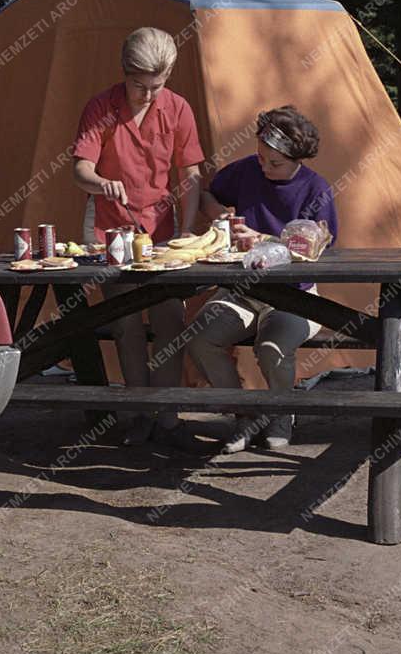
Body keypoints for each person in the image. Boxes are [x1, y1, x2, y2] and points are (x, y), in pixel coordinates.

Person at [72, 27, 204, 444]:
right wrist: (99, 183)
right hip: (114, 233)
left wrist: (186, 230)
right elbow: (80, 168)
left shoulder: (179, 108)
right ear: (124, 73)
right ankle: (140, 413)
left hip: (164, 232)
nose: (148, 95)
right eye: (139, 86)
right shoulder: (100, 107)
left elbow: (190, 174)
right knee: (127, 325)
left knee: (170, 321)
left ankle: (167, 416)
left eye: (157, 87)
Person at [185, 105, 338, 452]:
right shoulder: (246, 172)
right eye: (261, 158)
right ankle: (244, 415)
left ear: (297, 158)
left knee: (271, 348)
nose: (265, 167)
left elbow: (320, 246)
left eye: (275, 163)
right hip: (242, 290)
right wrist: (221, 217)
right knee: (200, 339)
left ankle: (282, 414)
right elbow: (208, 194)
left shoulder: (316, 189)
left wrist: (265, 240)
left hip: (295, 294)